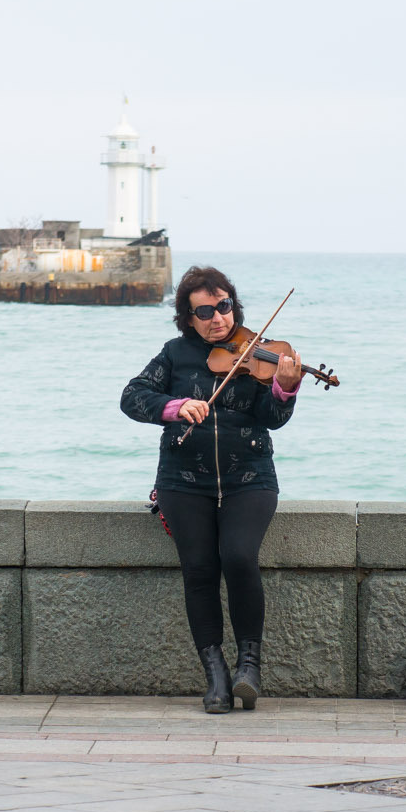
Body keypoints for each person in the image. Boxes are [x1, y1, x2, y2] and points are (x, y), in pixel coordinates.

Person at [120, 266, 306, 713]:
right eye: (204, 311)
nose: (217, 318)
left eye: (223, 306)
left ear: (233, 306)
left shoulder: (256, 353)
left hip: (250, 478)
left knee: (239, 556)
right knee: (199, 570)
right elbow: (132, 396)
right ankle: (216, 675)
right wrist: (175, 406)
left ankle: (249, 667)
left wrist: (283, 388)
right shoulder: (174, 355)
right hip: (183, 482)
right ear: (188, 317)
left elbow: (273, 418)